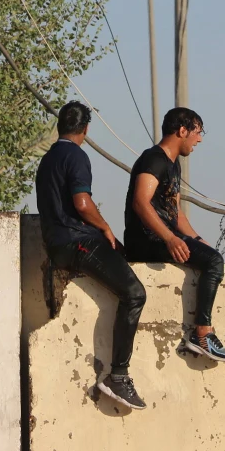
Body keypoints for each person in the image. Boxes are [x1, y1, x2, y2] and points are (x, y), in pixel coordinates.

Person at [36, 102, 148, 410]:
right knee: (135, 294)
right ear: (85, 130)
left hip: (56, 242)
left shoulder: (47, 159)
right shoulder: (77, 155)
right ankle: (119, 376)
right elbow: (83, 204)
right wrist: (106, 228)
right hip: (76, 242)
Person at [124, 107, 225, 362]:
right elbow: (141, 203)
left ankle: (203, 334)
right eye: (198, 132)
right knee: (214, 262)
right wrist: (169, 238)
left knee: (212, 257)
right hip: (146, 241)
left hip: (162, 237)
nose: (200, 139)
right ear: (182, 130)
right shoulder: (154, 159)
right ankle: (202, 334)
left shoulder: (173, 166)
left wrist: (195, 239)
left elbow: (175, 214)